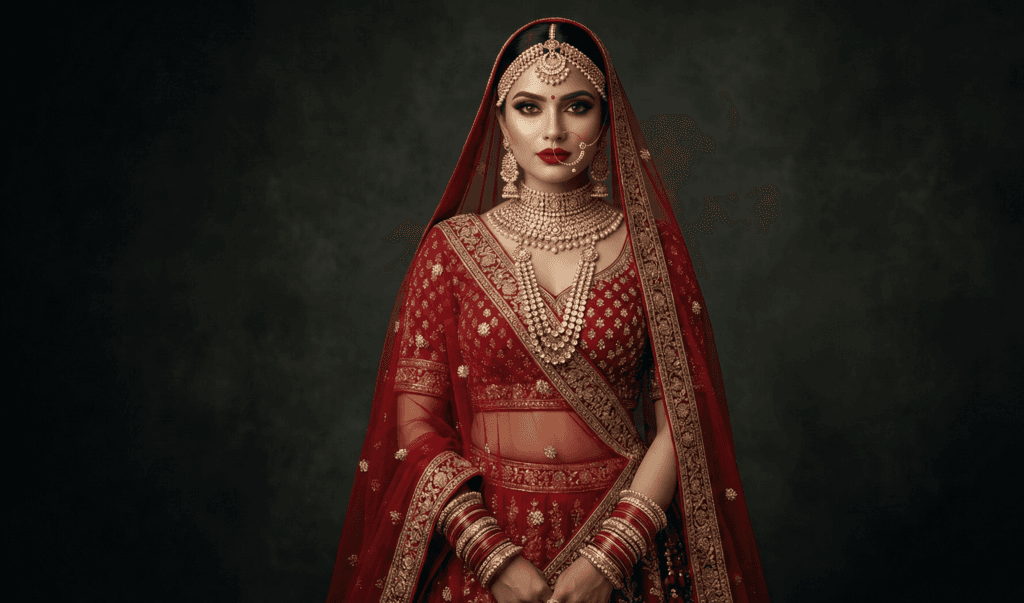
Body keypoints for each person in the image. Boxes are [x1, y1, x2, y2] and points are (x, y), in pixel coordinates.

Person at [325, 18, 770, 603]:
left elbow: (680, 424)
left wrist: (610, 556)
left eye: (577, 105)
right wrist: (490, 554)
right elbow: (414, 425)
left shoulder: (651, 252)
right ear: (501, 125)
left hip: (621, 544)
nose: (554, 129)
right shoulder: (452, 250)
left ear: (605, 120)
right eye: (529, 107)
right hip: (481, 547)